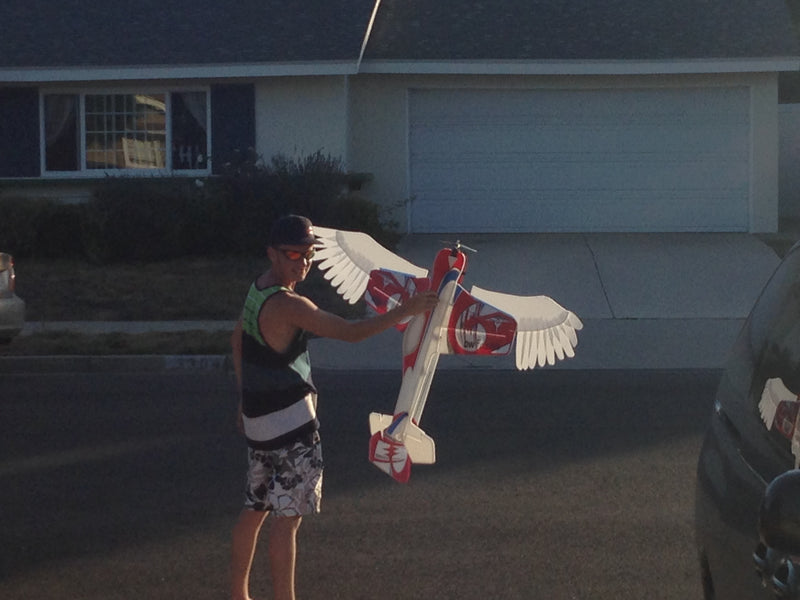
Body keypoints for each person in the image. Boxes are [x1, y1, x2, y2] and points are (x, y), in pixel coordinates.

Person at [229, 215, 438, 600]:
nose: (302, 262)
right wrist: (406, 309)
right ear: (272, 253)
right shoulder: (291, 304)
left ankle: (238, 594)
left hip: (260, 423)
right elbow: (350, 333)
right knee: (286, 521)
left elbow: (238, 337)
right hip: (292, 428)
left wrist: (244, 398)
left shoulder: (257, 289)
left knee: (254, 508)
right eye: (293, 253)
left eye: (309, 253)